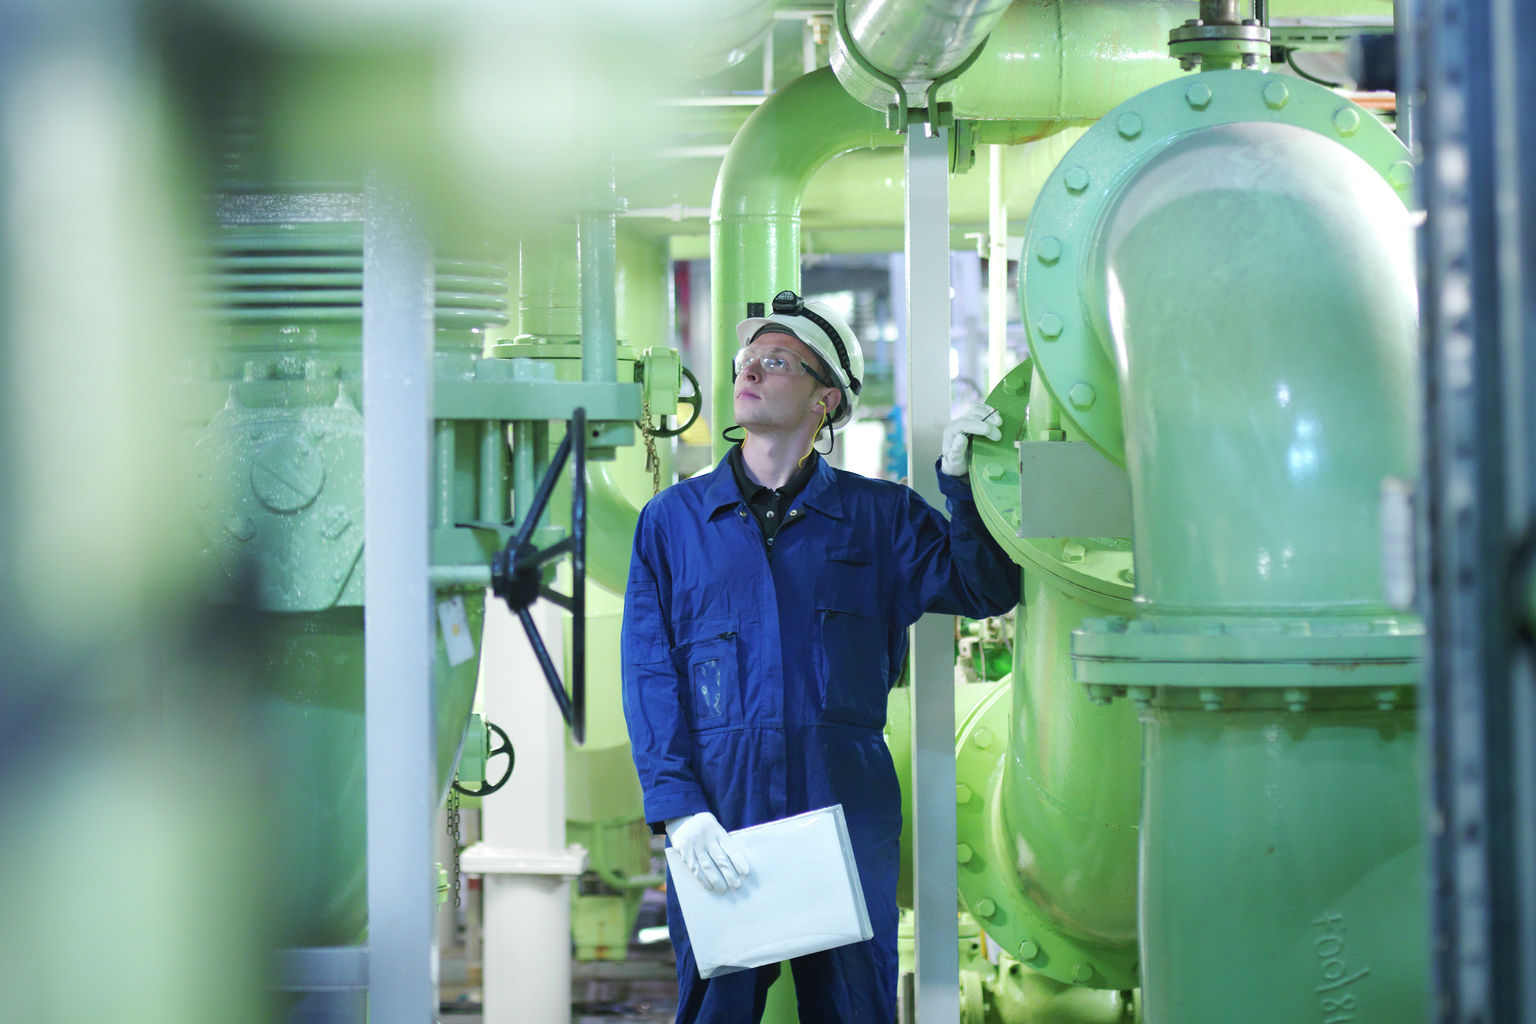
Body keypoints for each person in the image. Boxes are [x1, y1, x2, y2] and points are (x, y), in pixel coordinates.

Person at [621, 289, 1020, 1023]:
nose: (750, 372)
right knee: (717, 1011)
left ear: (825, 399)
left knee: (852, 1009)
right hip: (722, 806)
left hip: (843, 808)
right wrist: (679, 810)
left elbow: (985, 586)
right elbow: (650, 673)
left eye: (777, 362)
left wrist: (968, 486)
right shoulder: (672, 523)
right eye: (748, 359)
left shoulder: (880, 518)